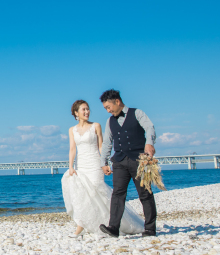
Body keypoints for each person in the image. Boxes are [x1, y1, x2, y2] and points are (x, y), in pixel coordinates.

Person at [61, 100, 145, 237]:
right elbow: (72, 149)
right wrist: (70, 166)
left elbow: (101, 146)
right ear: (76, 113)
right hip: (81, 166)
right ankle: (83, 225)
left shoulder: (96, 126)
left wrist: (105, 163)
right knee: (83, 196)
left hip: (95, 164)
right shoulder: (72, 130)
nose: (87, 112)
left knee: (96, 191)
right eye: (83, 109)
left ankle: (109, 223)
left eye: (88, 109)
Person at [97, 89, 158, 238]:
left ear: (117, 102)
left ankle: (150, 228)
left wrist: (149, 143)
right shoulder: (110, 121)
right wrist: (103, 161)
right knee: (117, 194)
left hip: (139, 161)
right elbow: (107, 142)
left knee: (145, 194)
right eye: (105, 108)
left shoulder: (137, 113)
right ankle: (113, 227)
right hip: (119, 161)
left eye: (108, 107)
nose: (108, 111)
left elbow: (150, 127)